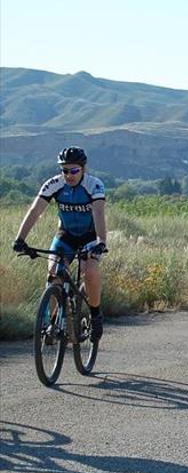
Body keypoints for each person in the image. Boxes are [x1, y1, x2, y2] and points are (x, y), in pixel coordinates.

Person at [12, 146, 108, 342]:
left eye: (74, 171)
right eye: (65, 171)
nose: (69, 175)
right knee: (54, 275)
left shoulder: (94, 185)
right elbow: (35, 211)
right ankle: (53, 323)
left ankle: (96, 314)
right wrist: (20, 239)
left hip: (89, 237)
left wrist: (101, 242)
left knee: (89, 273)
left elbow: (98, 213)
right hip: (65, 236)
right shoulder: (54, 184)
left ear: (83, 169)